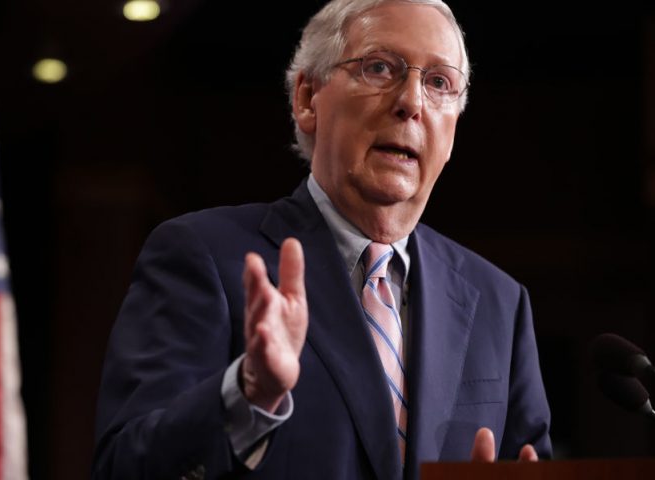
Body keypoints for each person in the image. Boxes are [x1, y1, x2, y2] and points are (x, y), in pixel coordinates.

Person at [91, 0, 552, 478]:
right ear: (307, 99)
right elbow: (123, 466)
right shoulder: (202, 255)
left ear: (453, 128)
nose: (412, 102)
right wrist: (248, 394)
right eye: (379, 67)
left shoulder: (499, 302)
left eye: (439, 83)